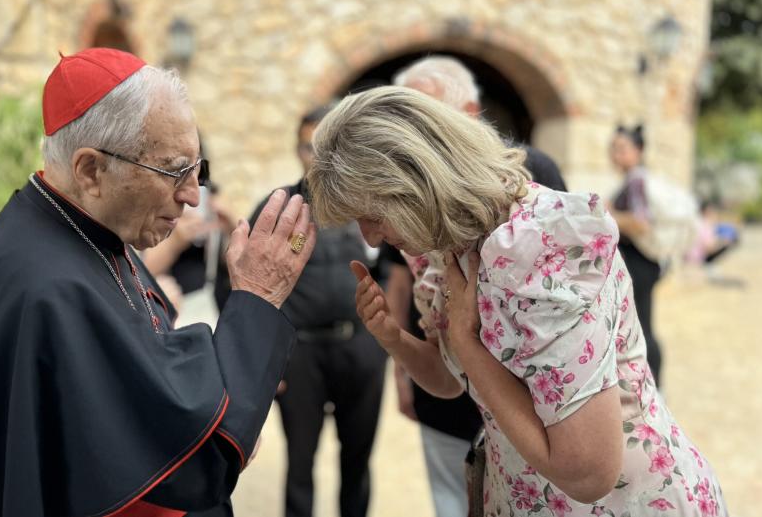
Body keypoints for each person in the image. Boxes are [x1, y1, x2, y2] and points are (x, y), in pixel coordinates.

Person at [0, 48, 317, 517]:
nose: (192, 194)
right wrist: (258, 296)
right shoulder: (49, 286)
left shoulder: (79, 227)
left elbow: (139, 364)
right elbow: (189, 468)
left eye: (197, 169)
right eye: (174, 171)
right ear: (91, 171)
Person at [307, 86, 727, 516]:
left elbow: (588, 472)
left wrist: (469, 345)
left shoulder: (542, 247)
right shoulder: (442, 244)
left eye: (371, 216)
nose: (370, 237)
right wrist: (394, 338)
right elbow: (452, 382)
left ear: (417, 182)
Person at [384, 55, 568, 517]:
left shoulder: (531, 171)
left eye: (425, 116)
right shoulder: (406, 185)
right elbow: (400, 274)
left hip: (522, 398)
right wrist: (403, 368)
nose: (413, 135)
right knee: (452, 501)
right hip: (443, 383)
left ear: (468, 114)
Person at [255, 105, 387, 517]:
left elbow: (402, 271)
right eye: (306, 146)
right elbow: (239, 285)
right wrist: (263, 359)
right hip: (300, 356)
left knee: (358, 460)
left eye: (323, 147)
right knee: (300, 462)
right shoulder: (278, 209)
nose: (314, 157)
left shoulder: (372, 205)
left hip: (361, 349)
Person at [607, 125, 663, 384]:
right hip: (640, 261)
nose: (615, 154)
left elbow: (641, 222)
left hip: (639, 262)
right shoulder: (633, 178)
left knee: (642, 325)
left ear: (638, 151)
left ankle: (655, 385)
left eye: (621, 148)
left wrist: (607, 214)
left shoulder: (637, 178)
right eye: (613, 148)